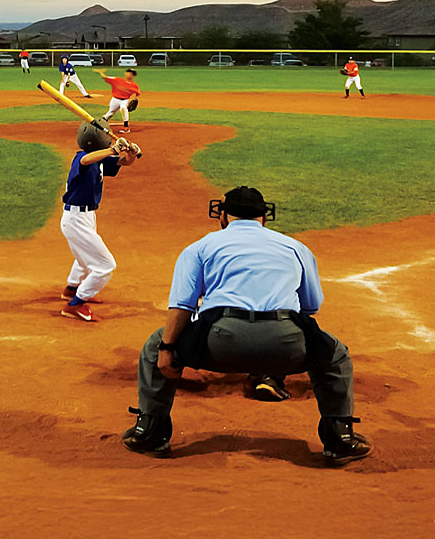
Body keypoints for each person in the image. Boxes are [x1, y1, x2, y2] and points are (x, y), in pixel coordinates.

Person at [121, 186, 371, 465]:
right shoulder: (295, 247)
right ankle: (340, 438)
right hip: (286, 346)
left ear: (224, 215)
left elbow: (181, 306)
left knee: (156, 344)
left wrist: (167, 348)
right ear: (265, 217)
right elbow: (312, 306)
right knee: (334, 354)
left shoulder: (200, 247)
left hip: (219, 343)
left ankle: (151, 433)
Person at [59, 120, 138, 322]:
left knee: (85, 257)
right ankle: (75, 304)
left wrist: (130, 152)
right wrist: (113, 149)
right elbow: (86, 161)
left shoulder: (100, 160)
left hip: (86, 217)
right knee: (105, 265)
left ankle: (71, 289)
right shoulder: (82, 158)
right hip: (76, 218)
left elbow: (124, 162)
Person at [97, 68, 140, 133]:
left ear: (133, 76)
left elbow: (136, 94)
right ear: (125, 73)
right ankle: (101, 123)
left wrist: (132, 100)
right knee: (110, 113)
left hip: (125, 100)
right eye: (128, 72)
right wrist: (101, 72)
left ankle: (126, 127)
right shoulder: (117, 80)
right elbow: (105, 77)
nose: (129, 74)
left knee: (123, 108)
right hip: (115, 99)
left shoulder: (134, 85)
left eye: (131, 74)